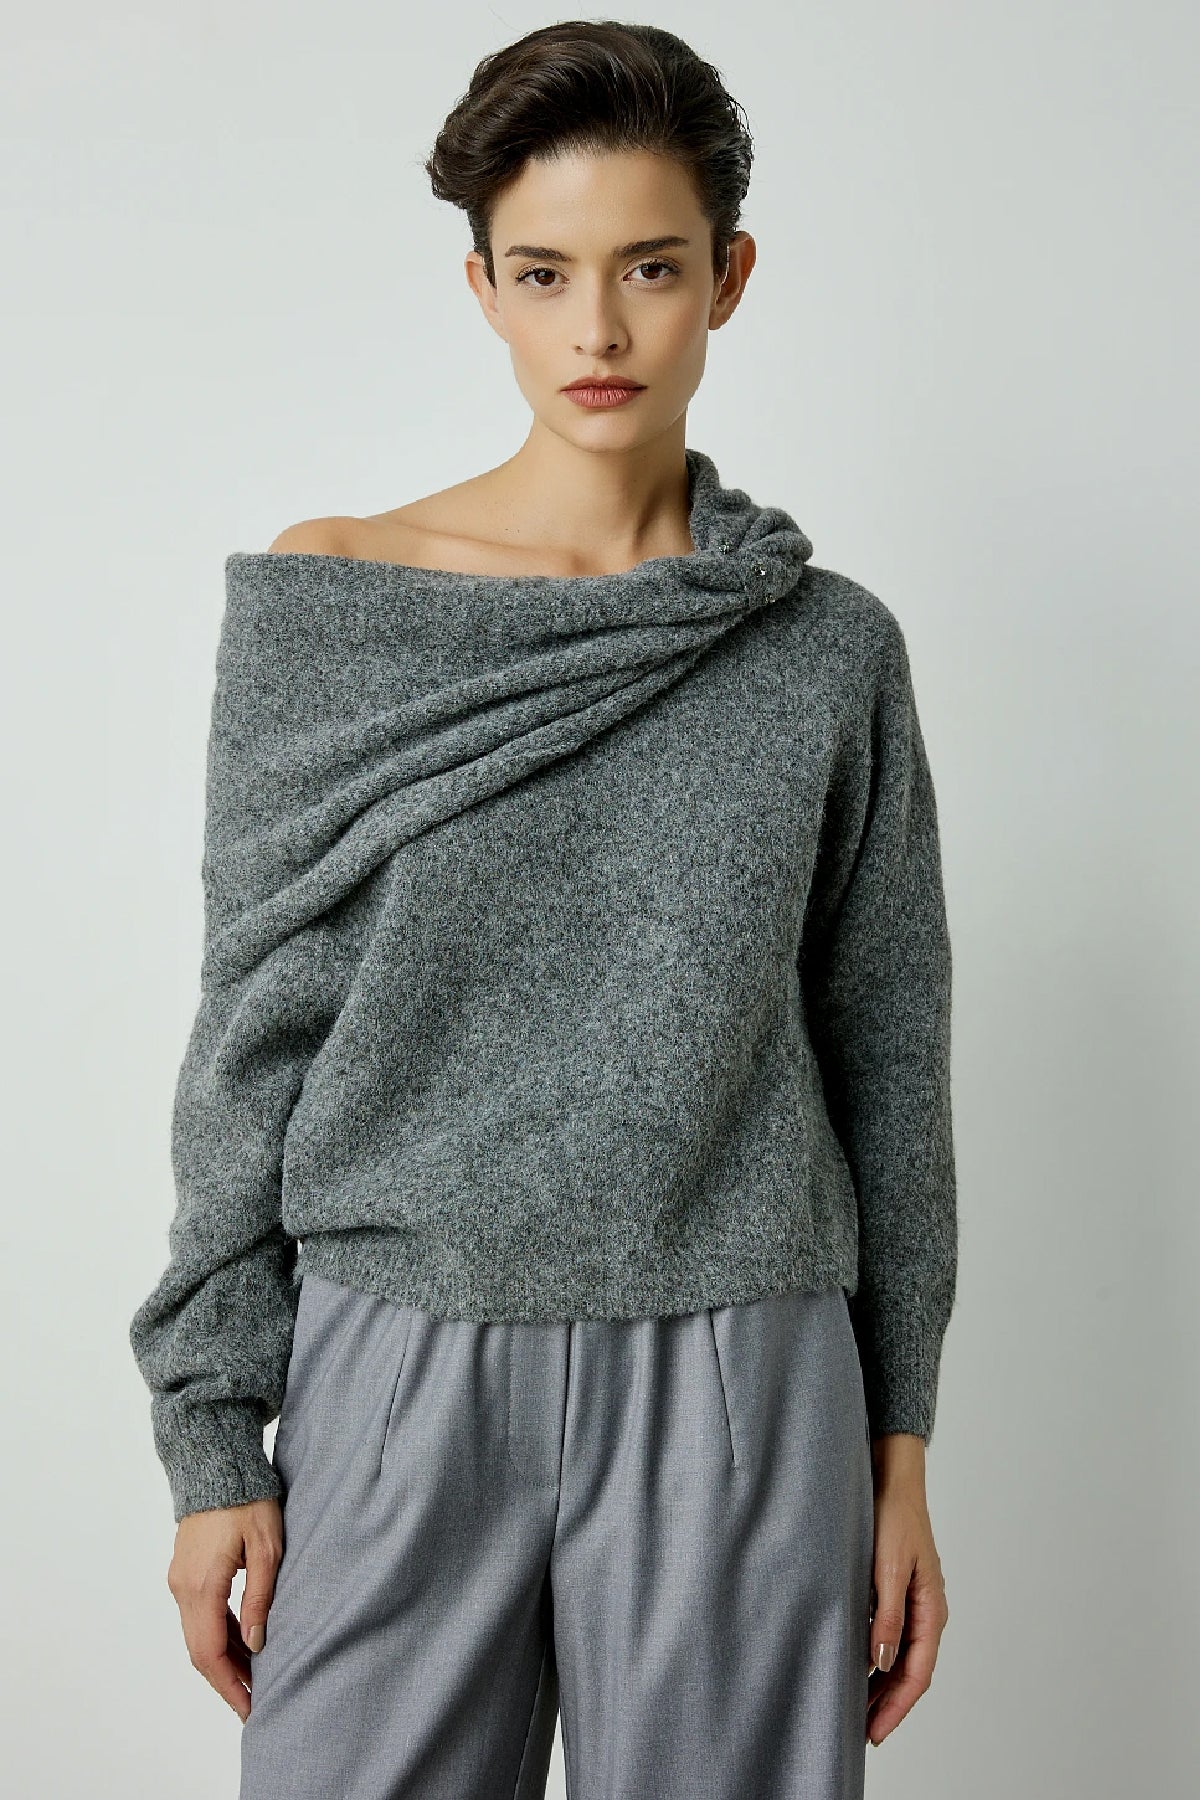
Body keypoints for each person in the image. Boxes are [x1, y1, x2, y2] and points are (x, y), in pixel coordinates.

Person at [129, 20, 957, 1799]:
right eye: (545, 274)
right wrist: (212, 1439)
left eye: (650, 269)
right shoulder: (335, 606)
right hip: (397, 1360)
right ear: (483, 289)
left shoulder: (824, 649)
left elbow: (888, 1054)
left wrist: (901, 1456)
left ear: (729, 279)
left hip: (745, 1367)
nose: (598, 332)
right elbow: (252, 1030)